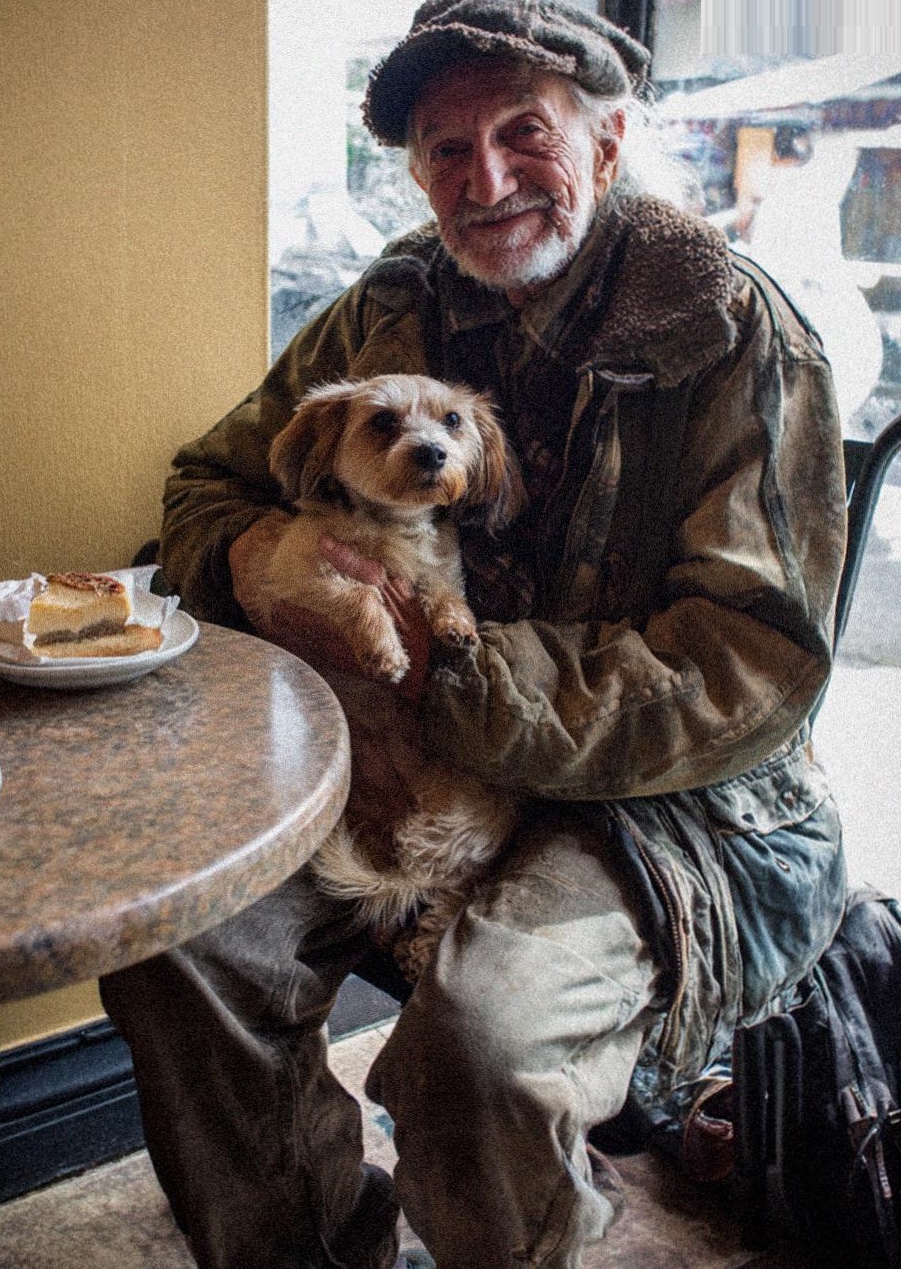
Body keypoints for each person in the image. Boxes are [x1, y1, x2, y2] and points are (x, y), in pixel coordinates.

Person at [100, 3, 849, 1266]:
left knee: (476, 1044)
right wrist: (257, 559)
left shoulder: (730, 334)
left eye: (524, 132)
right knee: (170, 934)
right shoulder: (386, 310)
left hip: (664, 802)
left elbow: (747, 666)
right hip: (393, 749)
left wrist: (457, 672)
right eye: (446, 149)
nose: (484, 178)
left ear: (607, 146)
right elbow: (206, 487)